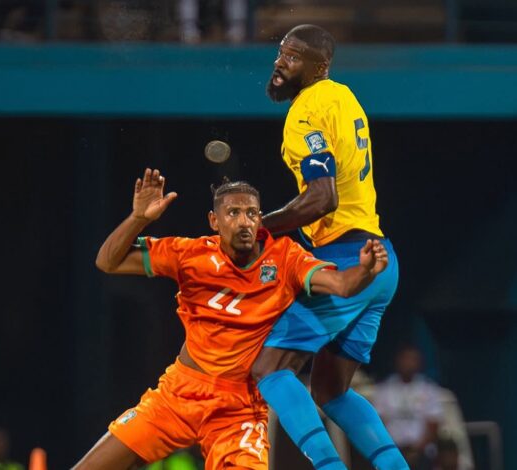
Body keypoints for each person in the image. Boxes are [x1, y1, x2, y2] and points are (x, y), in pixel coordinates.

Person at [73, 168, 389, 469]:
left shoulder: (285, 258)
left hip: (240, 409)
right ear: (214, 220)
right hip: (178, 394)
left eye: (252, 213)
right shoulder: (189, 255)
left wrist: (365, 271)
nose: (244, 221)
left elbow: (342, 286)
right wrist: (138, 218)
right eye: (233, 213)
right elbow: (107, 261)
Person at [250, 24, 406, 470]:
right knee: (331, 389)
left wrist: (262, 229)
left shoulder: (305, 111)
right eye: (281, 53)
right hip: (381, 261)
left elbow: (322, 197)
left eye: (294, 57)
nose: (281, 63)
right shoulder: (344, 96)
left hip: (346, 260)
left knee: (268, 367)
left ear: (319, 67)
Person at [374, 345, 444, 469]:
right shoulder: (384, 390)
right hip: (393, 450)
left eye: (412, 359)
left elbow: (433, 425)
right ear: (397, 361)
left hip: (421, 453)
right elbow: (379, 423)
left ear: (419, 363)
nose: (408, 363)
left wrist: (416, 450)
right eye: (405, 359)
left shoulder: (429, 390)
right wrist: (393, 449)